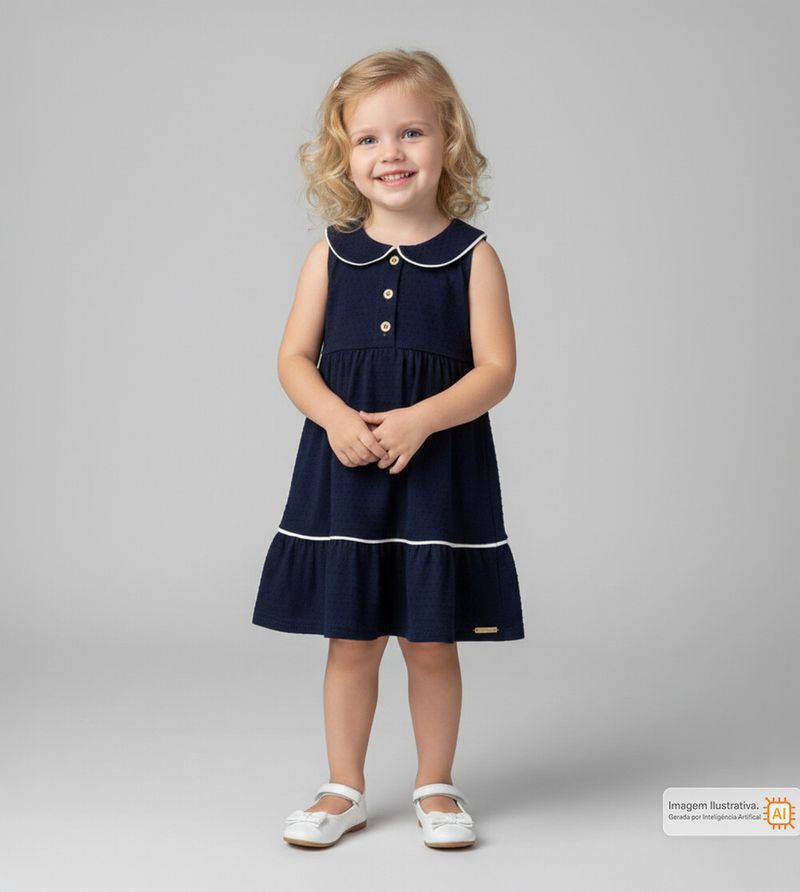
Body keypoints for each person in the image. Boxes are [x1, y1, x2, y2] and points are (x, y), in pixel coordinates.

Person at [251, 48, 525, 849]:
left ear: (449, 141)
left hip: (438, 473)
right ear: (343, 156)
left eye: (411, 132)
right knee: (352, 638)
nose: (390, 153)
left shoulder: (474, 257)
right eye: (368, 139)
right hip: (346, 472)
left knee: (431, 640)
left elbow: (498, 370)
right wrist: (336, 417)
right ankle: (344, 788)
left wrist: (422, 420)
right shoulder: (329, 255)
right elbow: (292, 358)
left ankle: (436, 785)